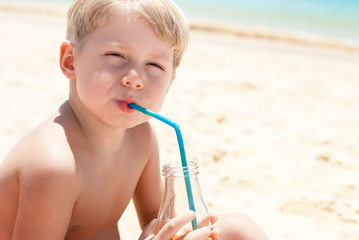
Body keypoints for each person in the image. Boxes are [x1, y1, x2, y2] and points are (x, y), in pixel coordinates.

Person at [0, 0, 268, 239]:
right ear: (71, 61)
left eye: (154, 66)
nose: (134, 78)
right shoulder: (54, 165)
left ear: (170, 82)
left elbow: (157, 220)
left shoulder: (140, 136)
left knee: (237, 228)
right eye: (116, 55)